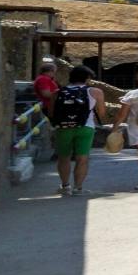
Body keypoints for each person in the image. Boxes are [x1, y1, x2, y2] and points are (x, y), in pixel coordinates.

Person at [49, 66, 104, 196]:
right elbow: (102, 113)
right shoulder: (95, 92)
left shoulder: (57, 92)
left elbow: (51, 113)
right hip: (85, 127)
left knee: (63, 158)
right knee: (82, 159)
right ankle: (78, 188)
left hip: (63, 128)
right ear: (87, 78)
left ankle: (65, 186)